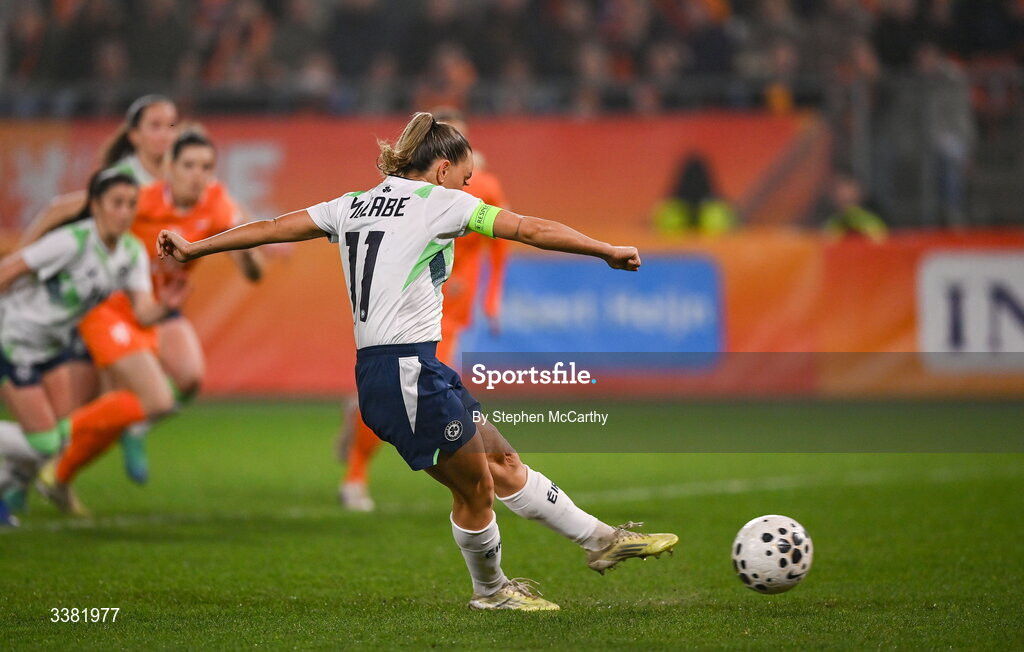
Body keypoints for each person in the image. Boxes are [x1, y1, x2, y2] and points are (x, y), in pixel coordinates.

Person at [158, 112, 678, 610]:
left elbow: (272, 226)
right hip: (405, 373)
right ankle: (491, 591)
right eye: (466, 179)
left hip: (411, 370)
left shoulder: (352, 203)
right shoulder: (439, 202)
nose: (468, 190)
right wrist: (604, 249)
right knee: (477, 487)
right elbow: (529, 229)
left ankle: (603, 540)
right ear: (443, 168)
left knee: (504, 464)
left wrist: (194, 247)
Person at [52, 130, 262, 490]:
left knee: (189, 378)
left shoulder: (216, 202)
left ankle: (130, 431)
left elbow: (248, 266)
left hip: (160, 308)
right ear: (169, 167)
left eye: (207, 167)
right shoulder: (139, 200)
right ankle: (47, 467)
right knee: (105, 405)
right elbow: (74, 215)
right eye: (189, 165)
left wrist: (250, 257)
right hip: (114, 306)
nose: (199, 174)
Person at [337, 107, 508, 512]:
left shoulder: (482, 186)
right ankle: (355, 477)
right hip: (412, 308)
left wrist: (491, 297)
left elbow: (499, 243)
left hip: (451, 309)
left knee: (416, 392)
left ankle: (477, 483)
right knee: (410, 390)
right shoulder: (408, 196)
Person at [0, 169, 185, 521]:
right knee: (47, 444)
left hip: (51, 347)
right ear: (96, 206)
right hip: (13, 339)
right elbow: (9, 269)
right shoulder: (72, 241)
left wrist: (165, 306)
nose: (125, 211)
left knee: (57, 438)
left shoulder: (130, 252)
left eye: (131, 204)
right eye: (116, 203)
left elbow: (144, 312)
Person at [14, 95, 179, 489]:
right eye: (156, 125)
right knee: (81, 413)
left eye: (172, 125)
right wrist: (26, 255)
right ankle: (36, 473)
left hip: (136, 296)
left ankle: (50, 478)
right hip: (101, 305)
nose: (166, 134)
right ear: (134, 135)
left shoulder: (179, 176)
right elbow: (61, 208)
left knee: (149, 392)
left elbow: (221, 206)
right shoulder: (124, 180)